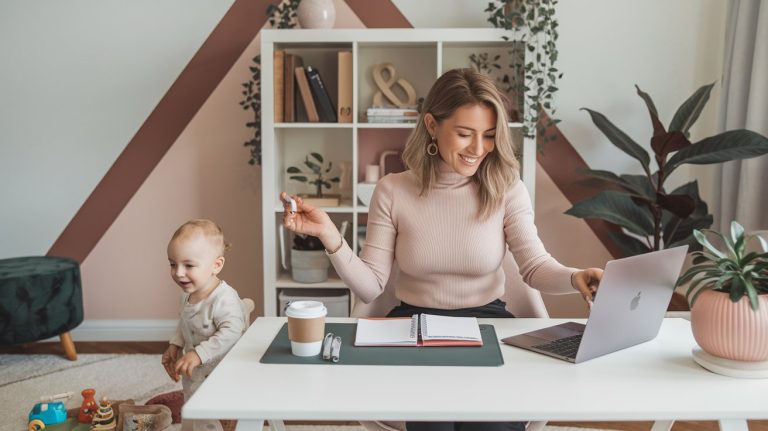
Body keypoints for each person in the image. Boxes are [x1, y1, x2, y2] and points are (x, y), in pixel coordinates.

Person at [281, 68, 603, 431]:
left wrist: (576, 277)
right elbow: (370, 286)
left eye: (489, 136)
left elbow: (535, 267)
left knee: (492, 423)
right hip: (413, 329)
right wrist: (329, 235)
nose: (478, 149)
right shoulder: (393, 191)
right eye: (464, 134)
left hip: (488, 326)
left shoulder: (506, 188)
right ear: (432, 126)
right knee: (433, 422)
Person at [161, 219, 250, 430]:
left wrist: (199, 353)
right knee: (192, 408)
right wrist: (175, 345)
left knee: (213, 416)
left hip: (221, 372)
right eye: (173, 264)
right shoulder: (187, 296)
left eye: (188, 265)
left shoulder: (224, 299)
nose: (178, 272)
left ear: (216, 265)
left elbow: (232, 332)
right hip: (196, 371)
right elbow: (184, 322)